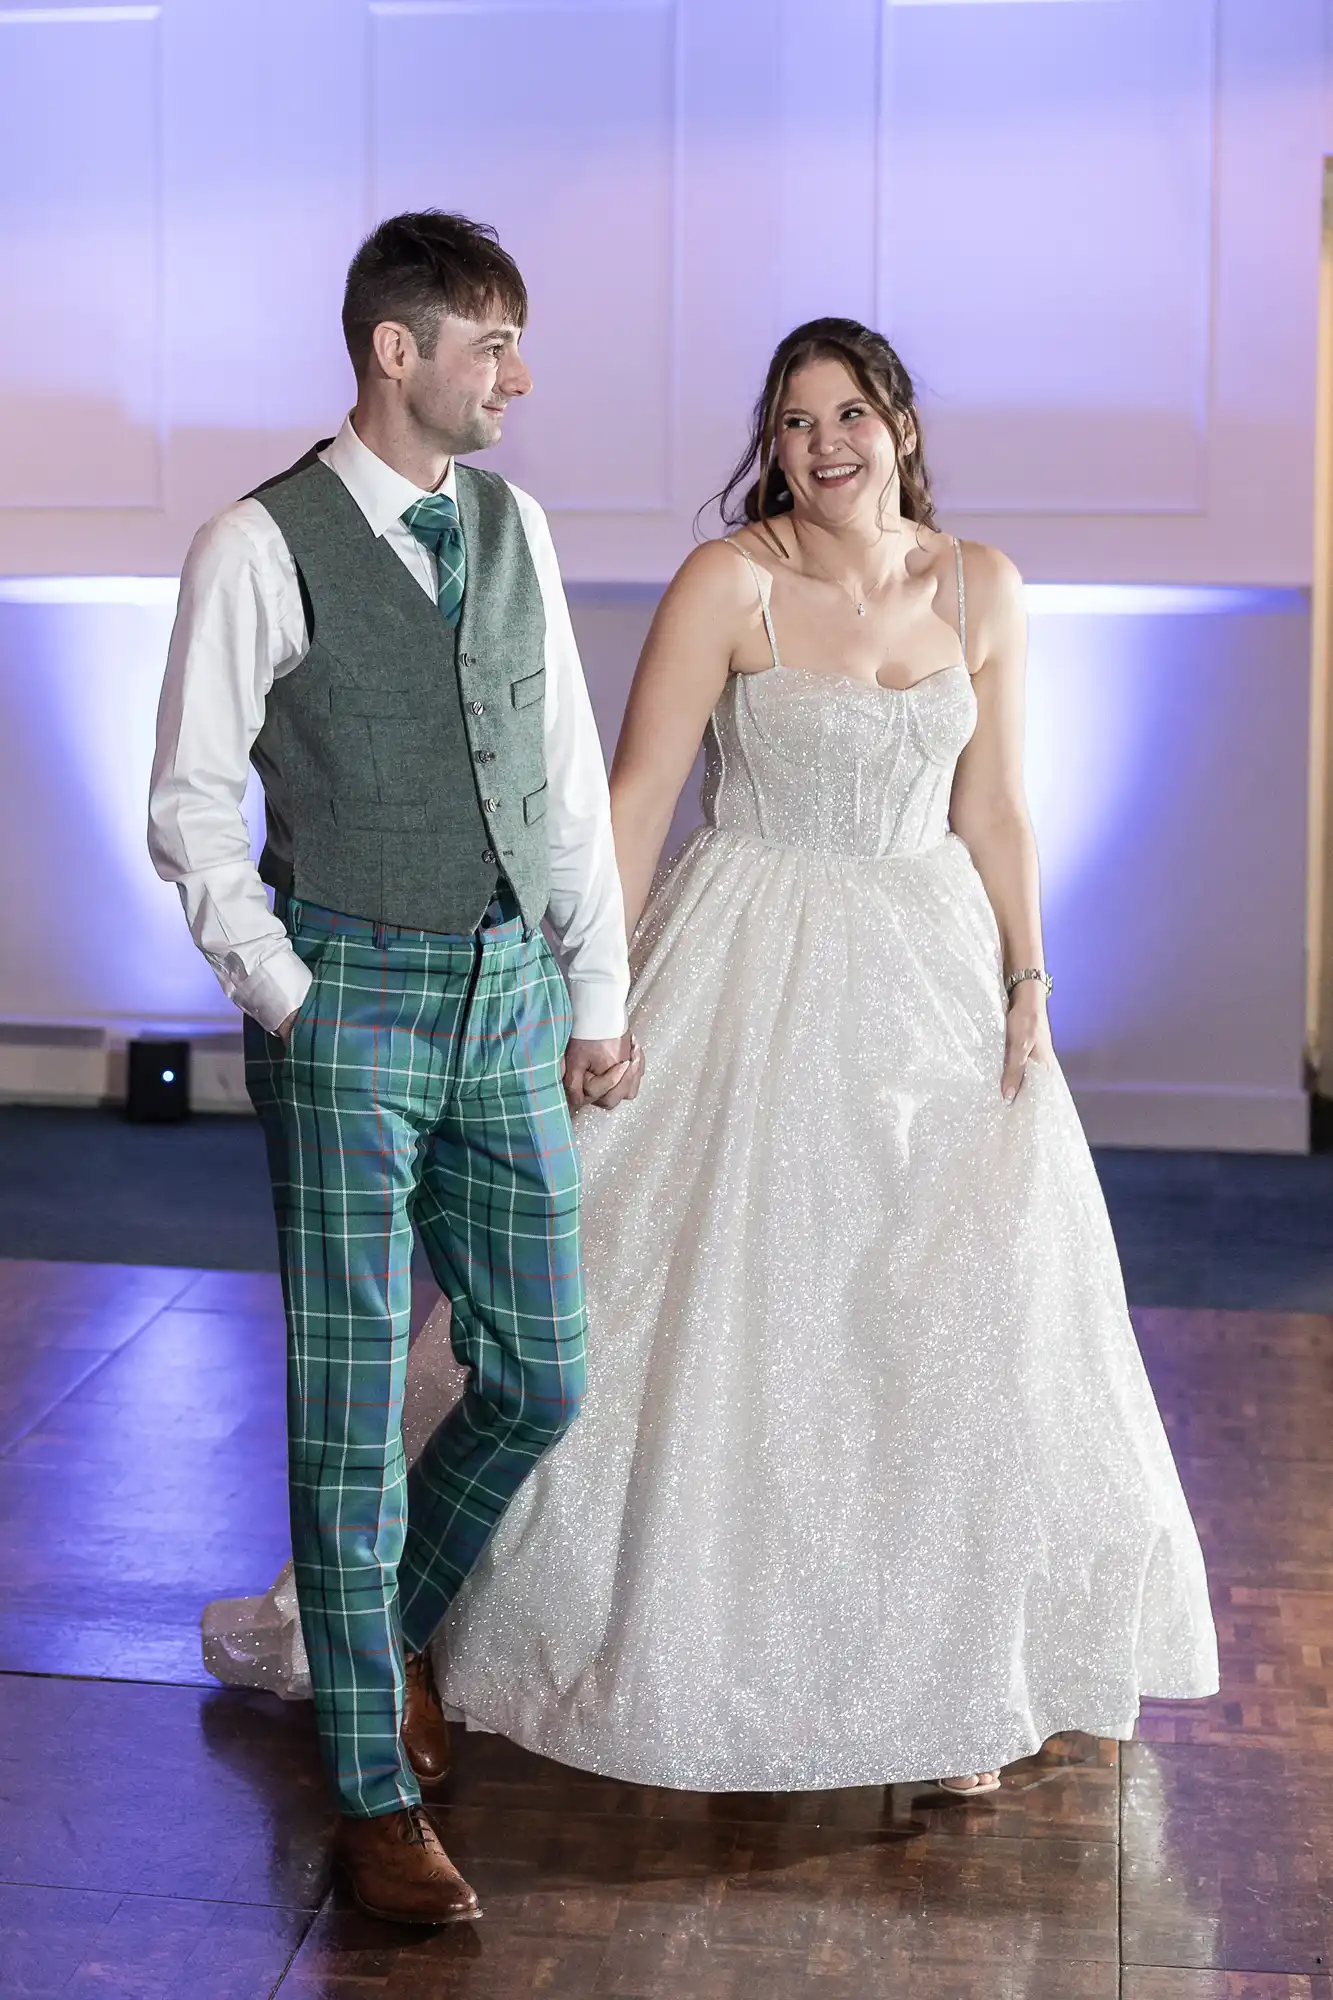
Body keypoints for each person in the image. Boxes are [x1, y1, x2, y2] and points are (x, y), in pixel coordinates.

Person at [205, 316, 1218, 1804]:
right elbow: (632, 796)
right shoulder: (730, 580)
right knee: (689, 1308)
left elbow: (997, 806)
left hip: (930, 972)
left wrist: (1027, 974)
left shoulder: (981, 585)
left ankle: (949, 1686)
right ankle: (412, 1621)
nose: (826, 442)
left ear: (903, 428)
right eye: (798, 419)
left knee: (941, 1328)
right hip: (750, 952)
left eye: (852, 413)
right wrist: (576, 988)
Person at [150, 210, 640, 1925]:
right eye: (491, 343)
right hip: (344, 996)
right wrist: (291, 999)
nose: (518, 374)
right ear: (396, 351)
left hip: (508, 992)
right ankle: (371, 1784)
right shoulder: (258, 542)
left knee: (542, 1375)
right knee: (351, 1413)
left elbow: (562, 772)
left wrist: (597, 986)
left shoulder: (513, 524)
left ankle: (377, 1641)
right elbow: (193, 806)